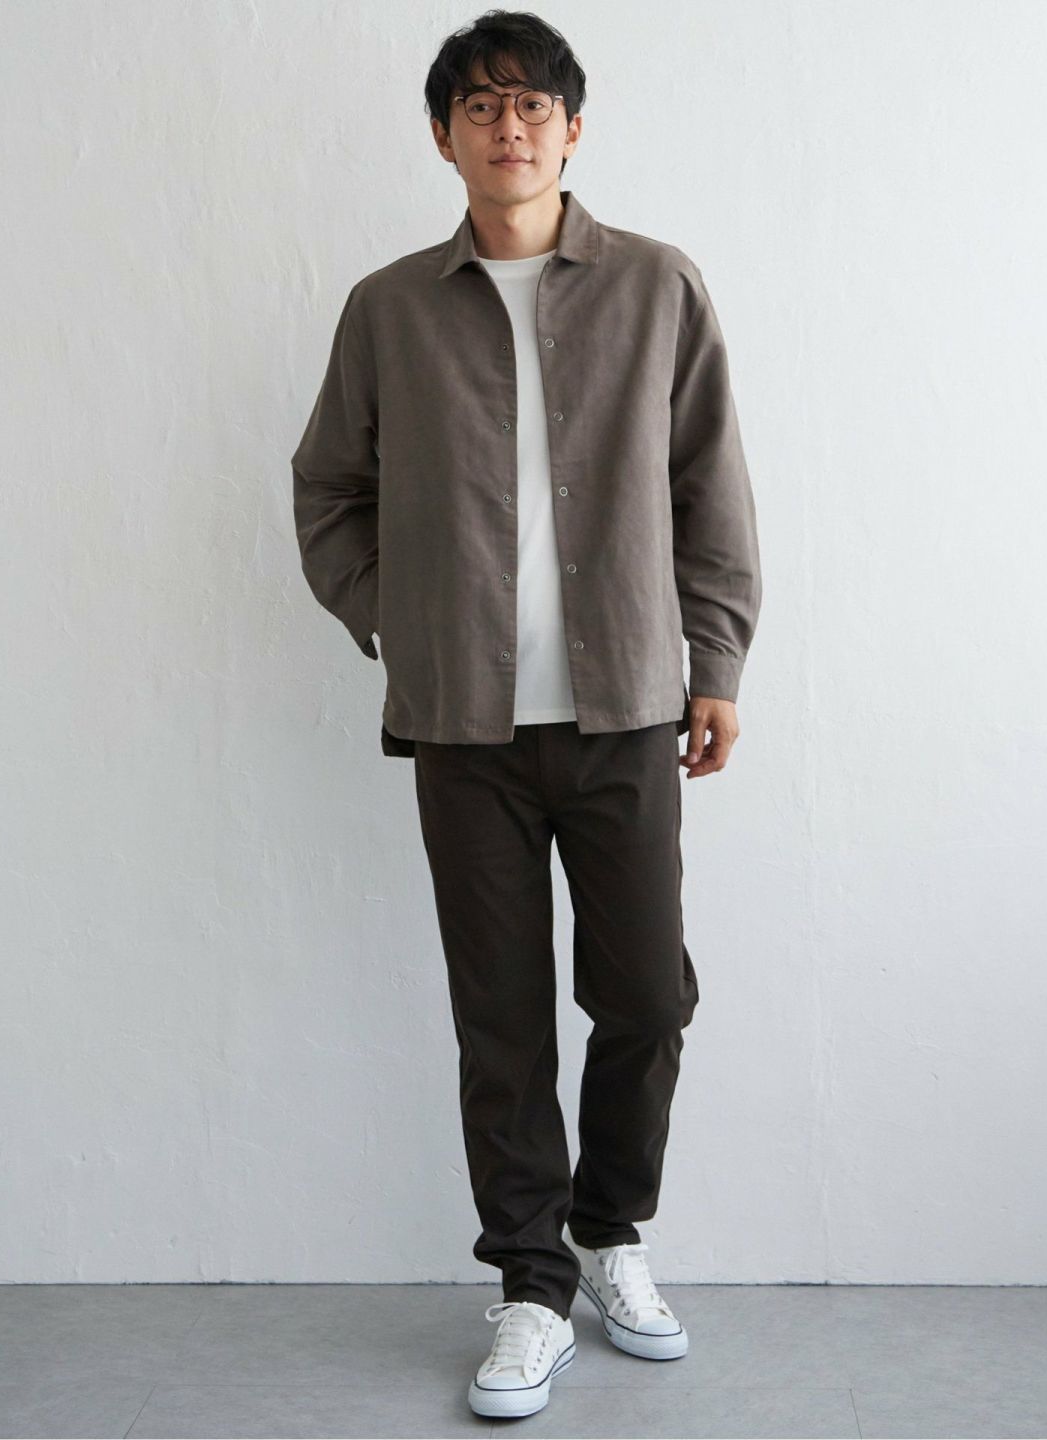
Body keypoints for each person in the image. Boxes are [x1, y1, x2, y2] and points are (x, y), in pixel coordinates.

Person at [291, 9, 762, 1421]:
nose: (511, 127)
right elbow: (328, 491)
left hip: (627, 710)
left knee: (647, 996)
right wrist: (396, 615)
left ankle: (609, 1233)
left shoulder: (658, 286)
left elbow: (710, 486)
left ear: (573, 128)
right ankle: (531, 1288)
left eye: (535, 105)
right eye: (483, 106)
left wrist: (717, 659)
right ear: (445, 136)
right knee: (498, 1018)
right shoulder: (388, 309)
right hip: (465, 729)